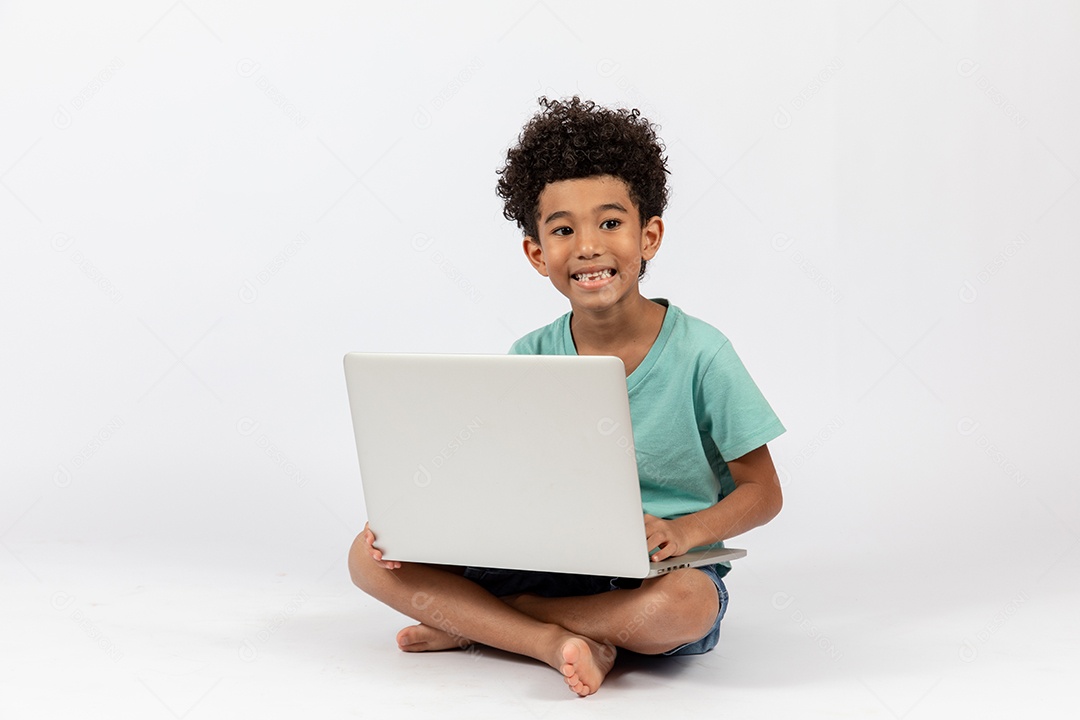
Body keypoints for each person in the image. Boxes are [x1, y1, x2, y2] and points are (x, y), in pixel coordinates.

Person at [348, 96, 785, 697]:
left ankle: (490, 623)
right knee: (365, 557)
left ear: (648, 235)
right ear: (537, 253)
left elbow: (764, 493)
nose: (587, 246)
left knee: (682, 608)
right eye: (562, 230)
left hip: (656, 570)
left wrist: (685, 535)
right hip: (548, 556)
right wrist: (413, 523)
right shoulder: (531, 355)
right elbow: (495, 476)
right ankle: (550, 641)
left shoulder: (703, 354)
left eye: (610, 223)